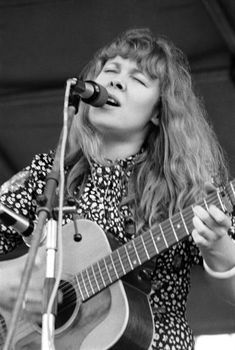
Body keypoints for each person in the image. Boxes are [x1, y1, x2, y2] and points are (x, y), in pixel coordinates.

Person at [0, 28, 235, 350]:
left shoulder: (190, 186)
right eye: (110, 71)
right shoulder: (48, 174)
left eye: (138, 80)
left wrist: (218, 248)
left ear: (157, 112)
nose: (116, 82)